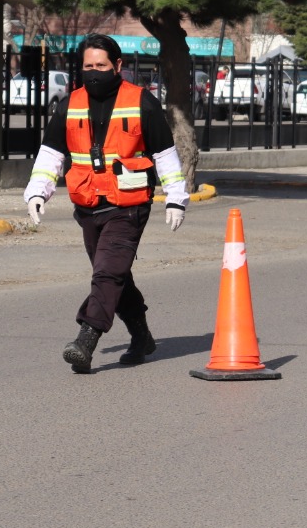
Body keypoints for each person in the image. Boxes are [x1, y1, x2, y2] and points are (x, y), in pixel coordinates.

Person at [22, 34, 190, 374]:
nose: (94, 72)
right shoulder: (70, 104)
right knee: (115, 275)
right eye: (88, 66)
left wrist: (176, 197)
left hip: (129, 204)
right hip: (87, 204)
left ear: (117, 66)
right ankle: (141, 337)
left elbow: (163, 153)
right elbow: (52, 153)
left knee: (107, 272)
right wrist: (38, 191)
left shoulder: (141, 101)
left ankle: (87, 337)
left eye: (100, 66)